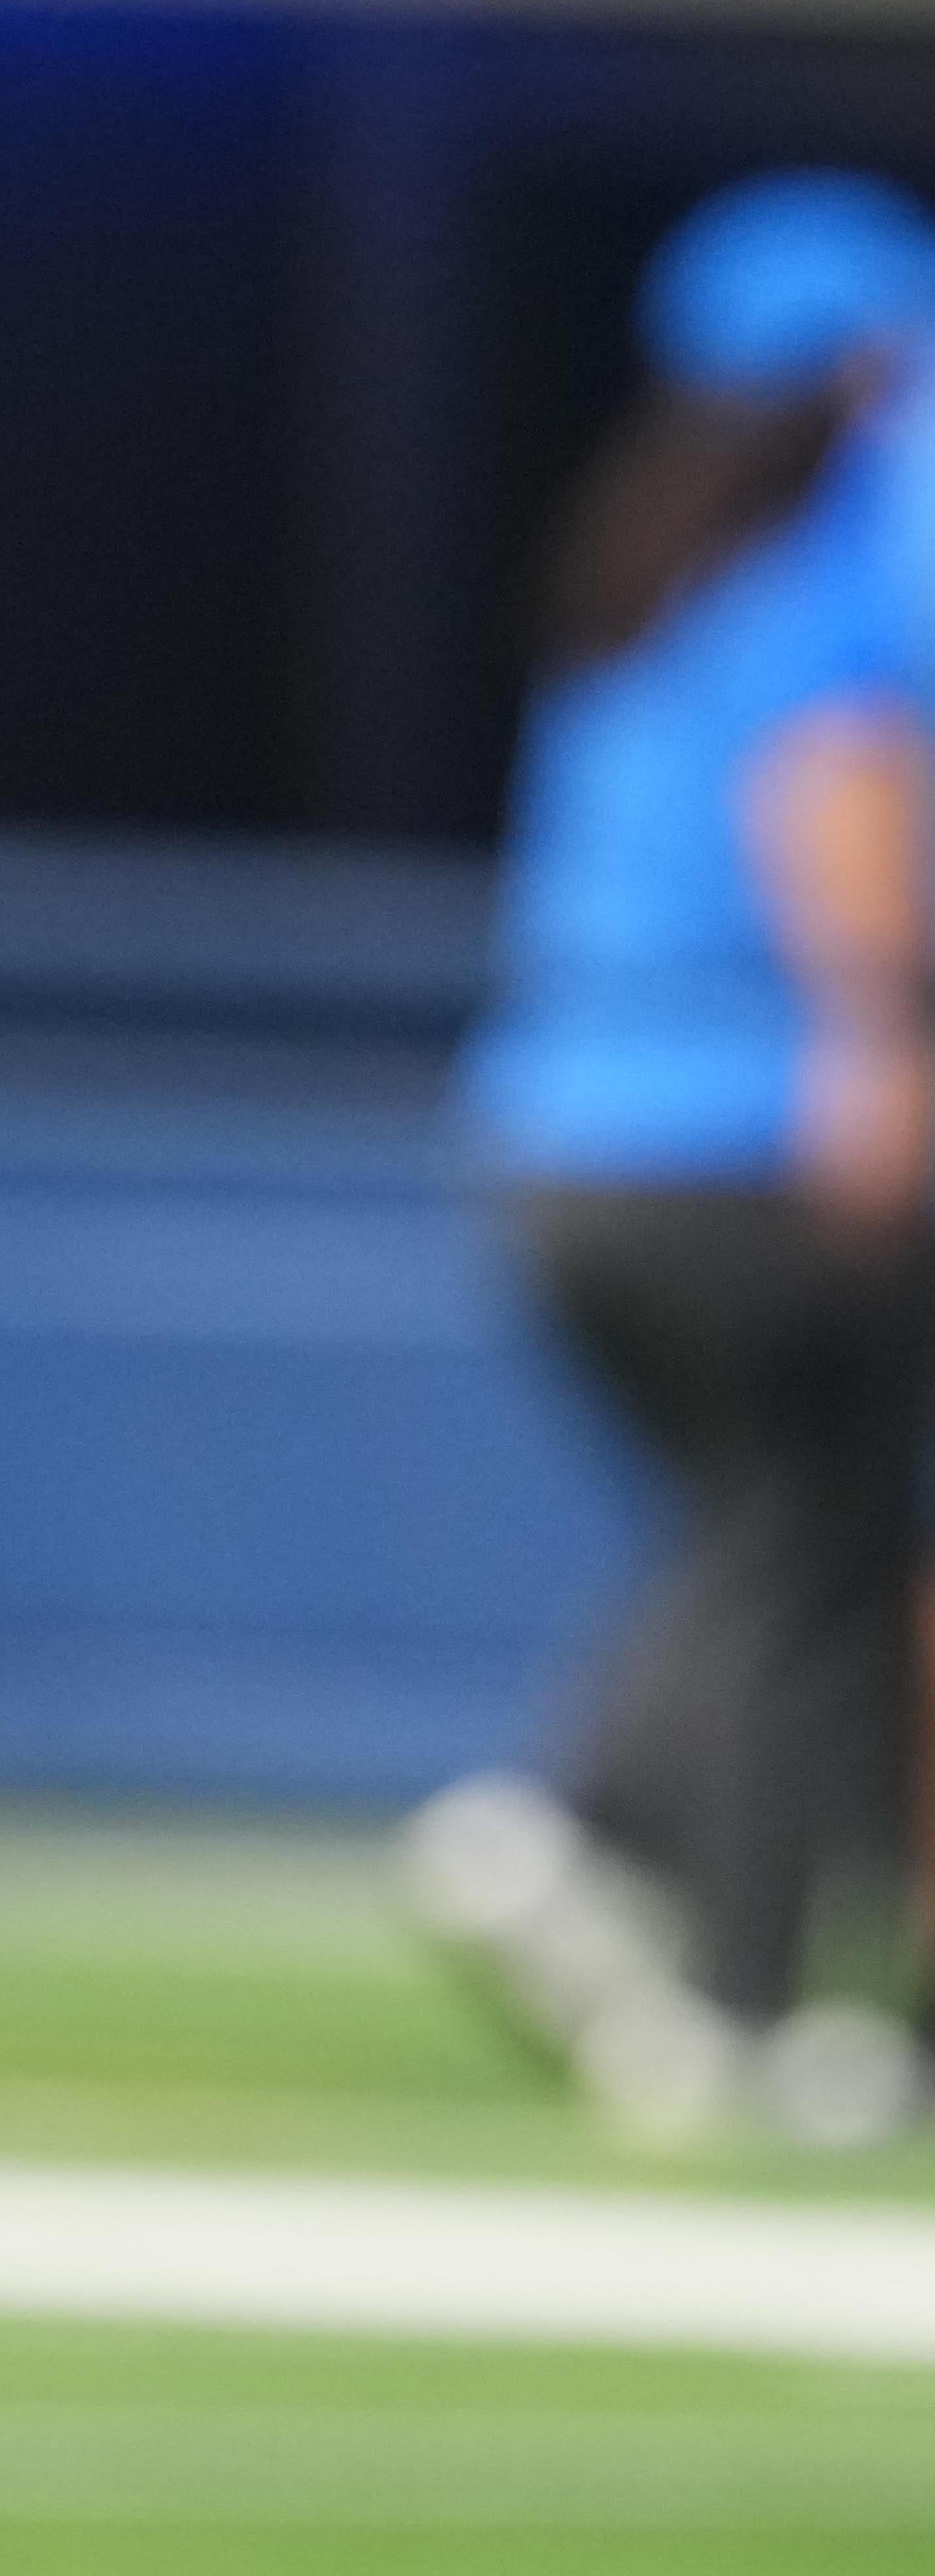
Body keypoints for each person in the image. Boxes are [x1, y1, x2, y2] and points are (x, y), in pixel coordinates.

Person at [421, 171, 935, 2148]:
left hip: (560, 1136)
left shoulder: (644, 553)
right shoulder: (831, 545)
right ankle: (679, 1935)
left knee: (765, 1530)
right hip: (742, 1126)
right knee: (811, 1536)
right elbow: (842, 785)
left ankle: (601, 1868)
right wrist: (877, 1040)